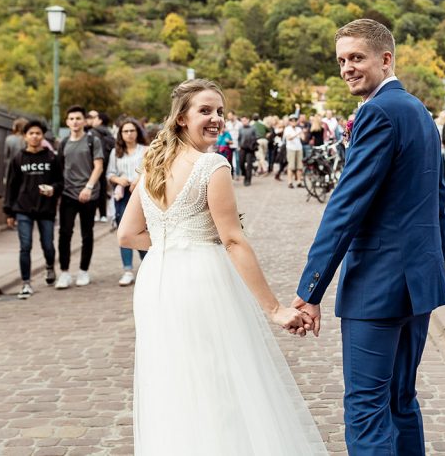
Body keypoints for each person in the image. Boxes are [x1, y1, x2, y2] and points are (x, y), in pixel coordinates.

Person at [116, 79, 326, 454]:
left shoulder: (152, 164)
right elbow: (232, 240)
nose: (216, 119)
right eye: (205, 111)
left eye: (220, 112)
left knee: (174, 381)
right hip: (200, 280)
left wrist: (172, 243)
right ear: (181, 118)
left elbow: (128, 236)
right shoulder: (212, 165)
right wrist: (275, 309)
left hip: (156, 283)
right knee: (220, 379)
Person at [293, 19, 445, 455]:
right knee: (401, 402)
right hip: (417, 284)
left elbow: (346, 206)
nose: (347, 67)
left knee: (366, 408)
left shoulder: (378, 112)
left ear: (385, 58)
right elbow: (439, 204)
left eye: (357, 58)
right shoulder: (418, 111)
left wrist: (311, 289)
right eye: (342, 60)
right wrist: (431, 267)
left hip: (377, 288)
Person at [3, 120, 61, 299]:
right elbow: (11, 186)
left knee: (48, 245)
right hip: (23, 208)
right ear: (25, 136)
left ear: (42, 136)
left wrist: (53, 189)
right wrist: (9, 211)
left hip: (45, 208)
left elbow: (60, 181)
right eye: (31, 133)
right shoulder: (18, 158)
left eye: (38, 133)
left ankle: (50, 266)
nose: (34, 136)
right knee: (25, 246)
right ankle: (26, 283)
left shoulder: (51, 158)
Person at [56, 105, 104, 289]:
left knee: (86, 233)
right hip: (68, 193)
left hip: (89, 194)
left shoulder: (93, 140)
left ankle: (83, 271)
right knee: (64, 233)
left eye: (78, 118)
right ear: (67, 122)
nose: (75, 122)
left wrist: (89, 187)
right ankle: (65, 272)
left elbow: (98, 166)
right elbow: (60, 167)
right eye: (71, 119)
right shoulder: (64, 142)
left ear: (84, 121)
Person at [108, 118, 148, 286]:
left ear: (137, 132)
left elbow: (150, 170)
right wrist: (118, 180)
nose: (129, 134)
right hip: (123, 195)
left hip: (141, 194)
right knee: (124, 232)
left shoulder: (145, 150)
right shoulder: (116, 153)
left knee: (141, 230)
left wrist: (139, 179)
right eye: (126, 131)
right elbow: (110, 173)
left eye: (132, 130)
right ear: (121, 134)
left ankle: (147, 266)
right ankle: (127, 269)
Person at [87, 110, 115, 223]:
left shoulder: (93, 132)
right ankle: (103, 214)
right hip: (107, 162)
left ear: (100, 120)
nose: (93, 121)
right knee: (103, 188)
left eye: (95, 118)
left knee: (93, 187)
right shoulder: (108, 132)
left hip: (96, 163)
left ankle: (93, 214)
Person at [237, 115, 258, 187]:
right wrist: (239, 145)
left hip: (250, 149)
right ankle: (244, 174)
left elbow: (256, 137)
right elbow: (239, 138)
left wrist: (253, 145)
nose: (243, 122)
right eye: (242, 121)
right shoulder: (240, 129)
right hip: (242, 148)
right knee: (241, 163)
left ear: (248, 120)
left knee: (249, 164)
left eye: (245, 120)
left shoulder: (253, 128)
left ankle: (248, 179)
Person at [283, 116, 304, 188]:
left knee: (299, 166)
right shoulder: (287, 129)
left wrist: (302, 134)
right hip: (291, 148)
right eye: (292, 121)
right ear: (290, 122)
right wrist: (297, 134)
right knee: (291, 166)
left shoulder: (299, 129)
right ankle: (290, 182)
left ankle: (299, 181)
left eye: (295, 121)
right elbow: (289, 138)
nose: (293, 122)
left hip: (299, 148)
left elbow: (303, 138)